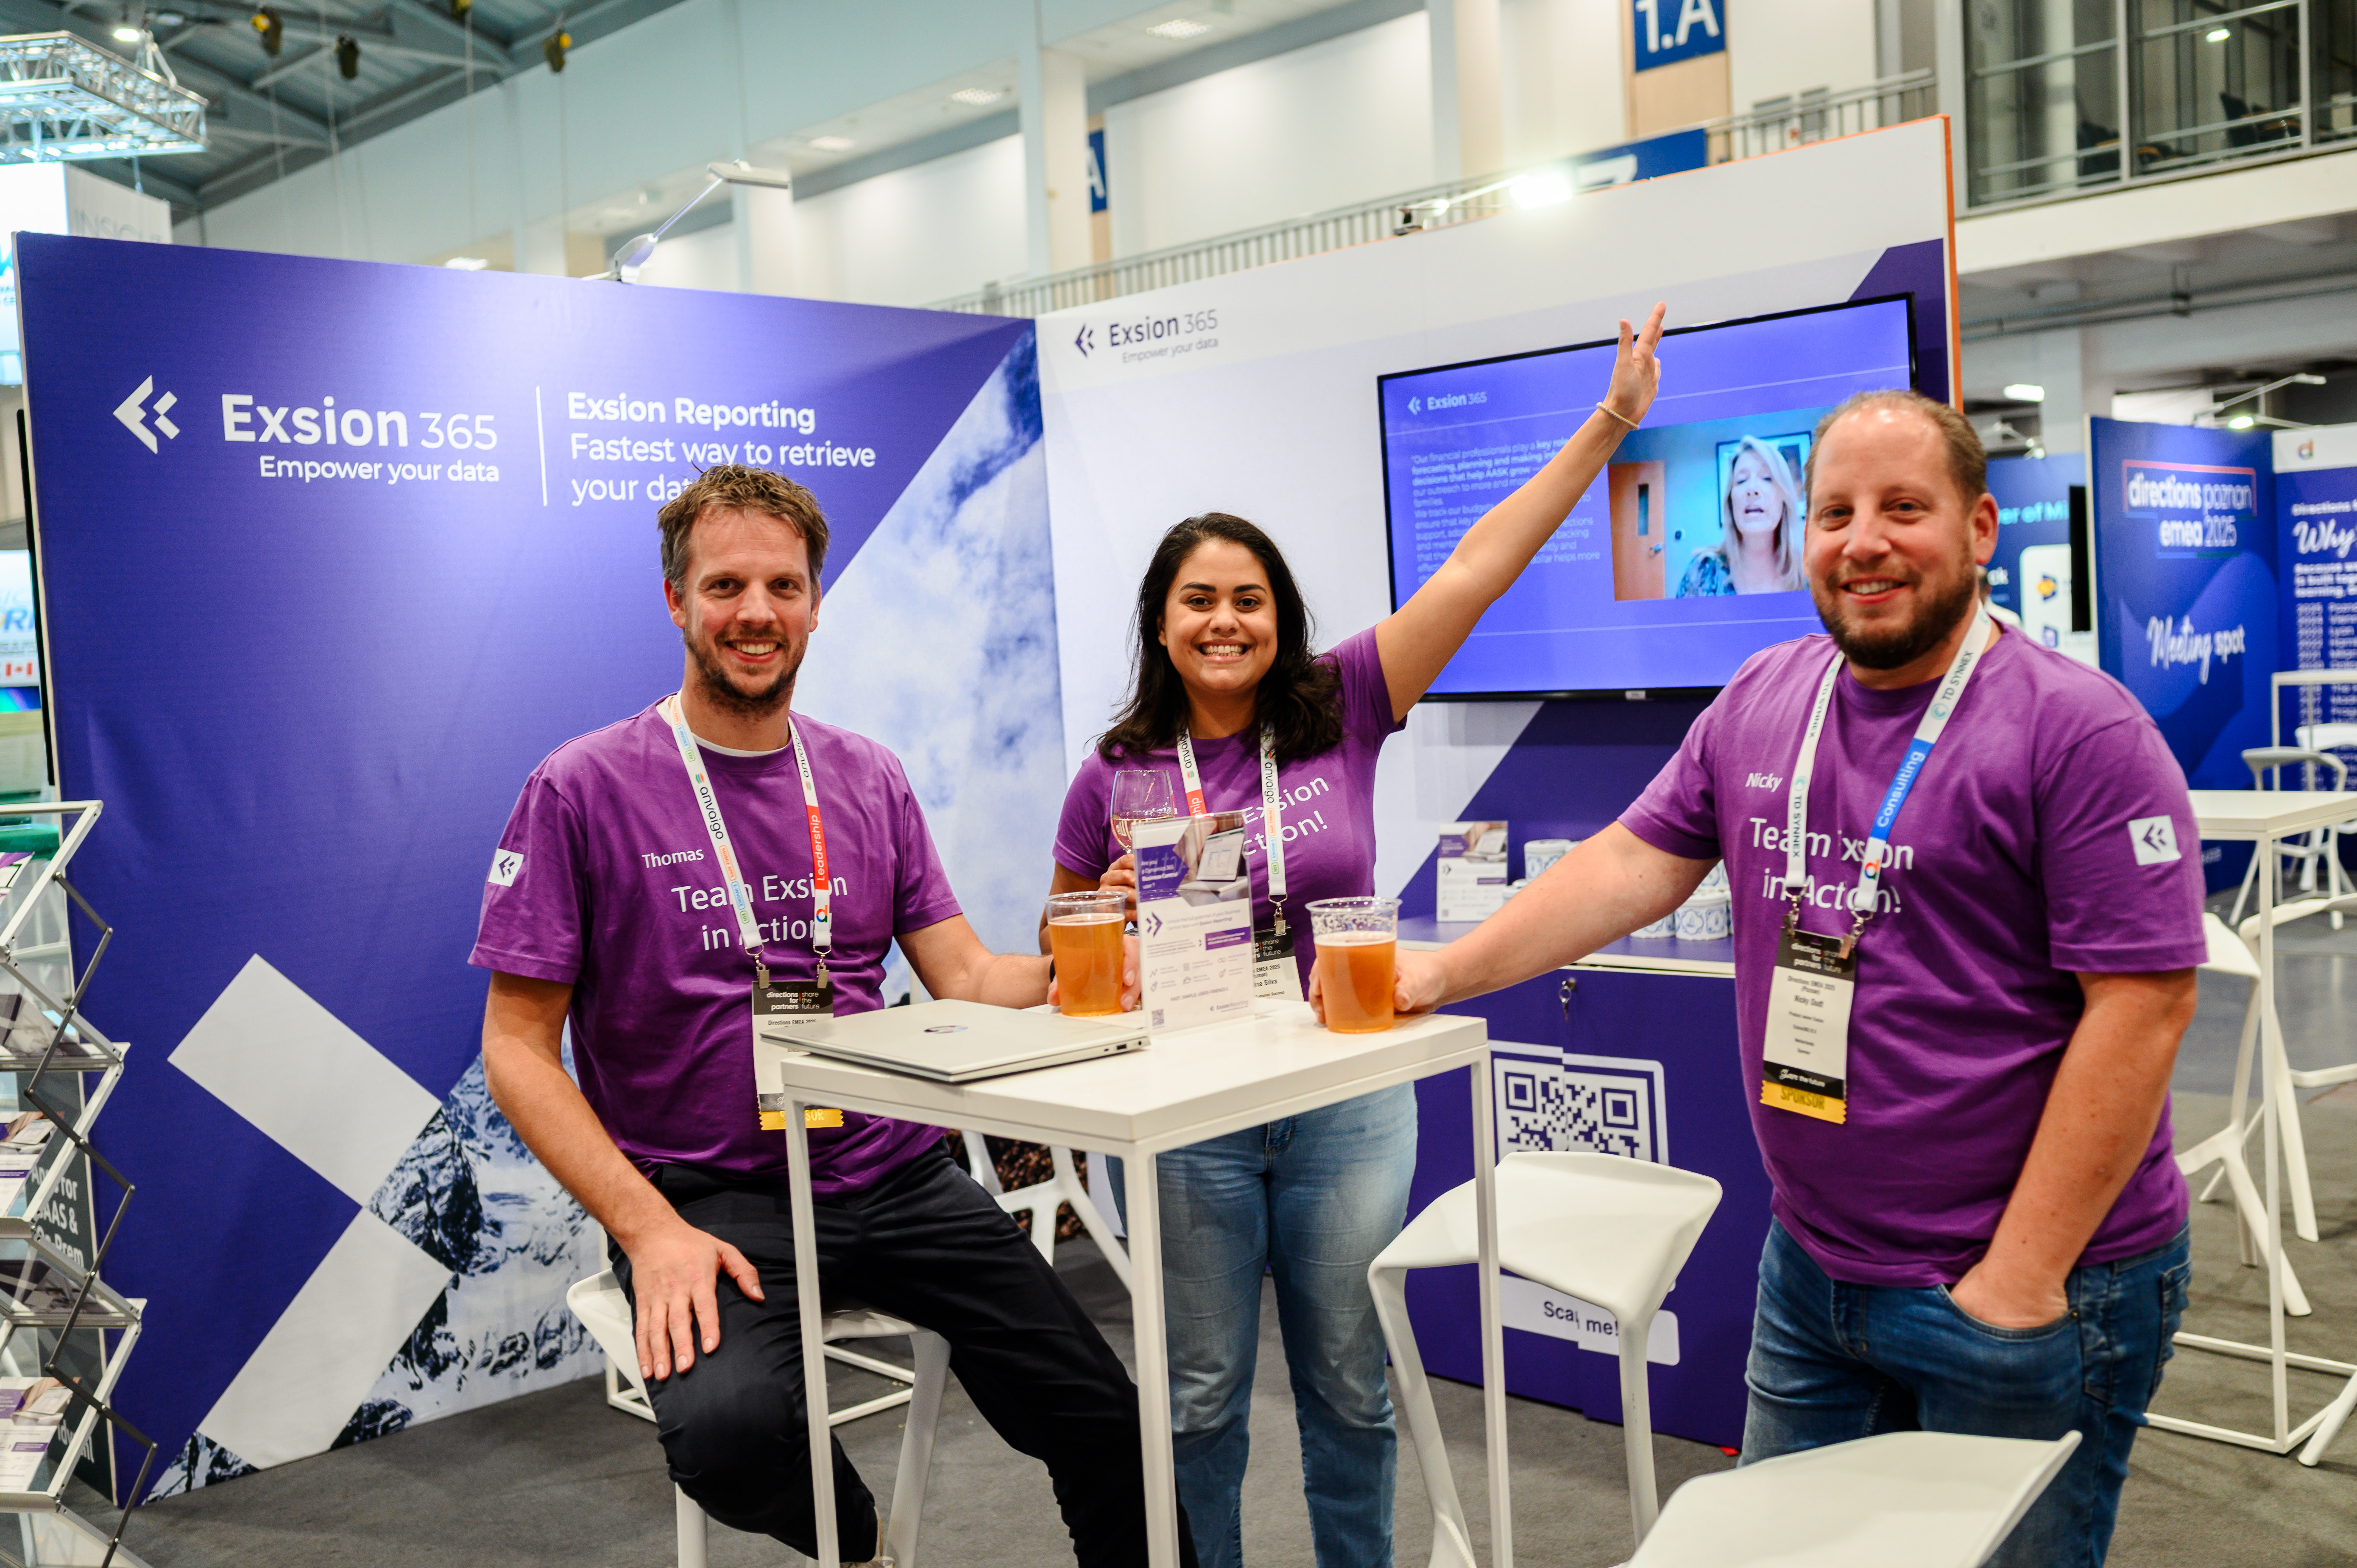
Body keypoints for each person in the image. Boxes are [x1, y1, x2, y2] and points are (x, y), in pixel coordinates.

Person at [1369, 390, 2202, 1568]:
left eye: (1903, 508)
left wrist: (2019, 1278)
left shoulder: (2079, 731)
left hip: (2021, 1285)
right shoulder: (1767, 697)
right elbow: (1630, 865)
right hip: (1814, 1268)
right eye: (1836, 512)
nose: (1864, 541)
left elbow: (2146, 1005)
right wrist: (1447, 969)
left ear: (1978, 529)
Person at [474, 465, 1191, 1568]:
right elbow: (516, 1049)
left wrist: (1080, 958)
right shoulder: (583, 787)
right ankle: (864, 1548)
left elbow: (965, 974)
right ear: (676, 600)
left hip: (892, 1173)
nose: (756, 612)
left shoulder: (865, 776)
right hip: (712, 1195)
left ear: (815, 603)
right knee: (730, 1437)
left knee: (1107, 1418)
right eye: (726, 586)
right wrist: (649, 1230)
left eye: (784, 586)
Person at [1050, 305, 1668, 1568]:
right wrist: (1104, 916)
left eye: (1249, 599)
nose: (1225, 620)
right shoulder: (1111, 774)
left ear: (1280, 617)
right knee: (1200, 1397)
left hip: (1345, 1099)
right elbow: (1060, 961)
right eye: (1197, 601)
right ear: (1160, 622)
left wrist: (1609, 423)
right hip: (1188, 1113)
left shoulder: (1342, 703)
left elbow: (1473, 570)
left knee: (1348, 1381)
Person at [1677, 434, 1807, 596]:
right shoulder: (1703, 573)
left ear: (1784, 500)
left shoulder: (1809, 576)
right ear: (1731, 503)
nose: (1752, 489)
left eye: (1767, 478)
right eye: (1742, 480)